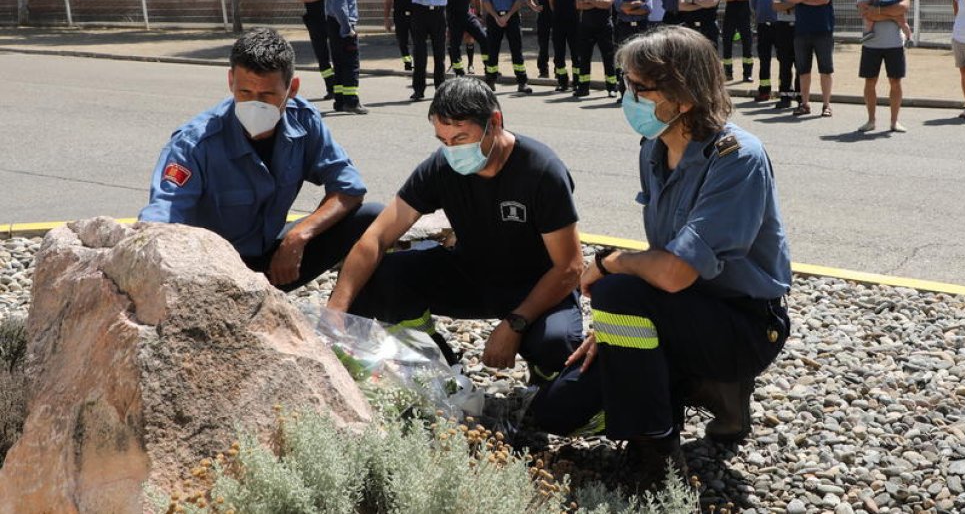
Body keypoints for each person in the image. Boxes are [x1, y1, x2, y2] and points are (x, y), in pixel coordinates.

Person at [532, 26, 792, 490]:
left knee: (614, 288)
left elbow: (672, 272)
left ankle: (658, 457)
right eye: (625, 84)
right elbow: (662, 258)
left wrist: (611, 263)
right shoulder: (654, 149)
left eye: (638, 88)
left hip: (741, 324)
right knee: (556, 411)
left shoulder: (737, 158)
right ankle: (700, 388)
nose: (627, 97)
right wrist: (612, 329)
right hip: (679, 309)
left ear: (684, 94)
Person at [327, 77, 584, 386]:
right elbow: (376, 237)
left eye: (461, 138)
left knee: (556, 343)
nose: (451, 150)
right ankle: (438, 365)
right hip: (473, 277)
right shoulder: (442, 167)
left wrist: (515, 323)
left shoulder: (541, 171)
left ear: (495, 122)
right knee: (382, 276)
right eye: (442, 140)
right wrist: (335, 312)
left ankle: (543, 386)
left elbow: (569, 267)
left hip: (535, 287)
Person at [140, 27, 383, 290]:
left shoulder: (304, 121)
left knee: (372, 217)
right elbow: (162, 218)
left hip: (275, 263)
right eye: (245, 93)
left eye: (267, 95)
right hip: (214, 274)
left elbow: (349, 188)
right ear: (231, 81)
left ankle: (347, 310)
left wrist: (298, 237)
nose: (255, 104)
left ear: (292, 89)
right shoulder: (194, 143)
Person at [856, 0, 911, 132]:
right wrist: (892, 15)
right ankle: (871, 120)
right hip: (871, 43)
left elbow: (903, 8)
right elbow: (865, 12)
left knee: (895, 82)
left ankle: (894, 122)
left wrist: (880, 12)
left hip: (894, 43)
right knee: (870, 81)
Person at [787, 0, 838, 117]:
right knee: (803, 71)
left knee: (825, 70)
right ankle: (805, 104)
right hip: (801, 32)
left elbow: (824, 0)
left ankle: (826, 105)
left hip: (823, 31)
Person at [481, 0, 531, 94]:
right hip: (493, 17)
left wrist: (507, 16)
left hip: (512, 17)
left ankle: (522, 82)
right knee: (492, 50)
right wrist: (497, 17)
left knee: (517, 50)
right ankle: (490, 81)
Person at [409, 0, 453, 101]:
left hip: (438, 14)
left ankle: (440, 90)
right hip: (420, 13)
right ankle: (418, 90)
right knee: (419, 53)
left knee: (439, 53)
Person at [324, 0, 367, 114]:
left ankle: (340, 101)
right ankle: (352, 102)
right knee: (351, 65)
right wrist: (348, 29)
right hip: (342, 27)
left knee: (340, 65)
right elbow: (340, 8)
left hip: (335, 27)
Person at [295, 0, 336, 100]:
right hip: (314, 22)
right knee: (322, 56)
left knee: (337, 54)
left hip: (331, 19)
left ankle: (339, 87)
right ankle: (330, 87)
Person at [574, 0, 618, 99]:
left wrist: (589, 0)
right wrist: (597, 2)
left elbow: (607, 5)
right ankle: (583, 88)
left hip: (604, 27)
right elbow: (578, 5)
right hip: (586, 27)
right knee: (584, 58)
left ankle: (611, 87)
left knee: (608, 58)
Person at [446, 0, 491, 79]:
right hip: (454, 18)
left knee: (484, 38)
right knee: (455, 46)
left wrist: (478, 13)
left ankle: (488, 67)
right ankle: (459, 71)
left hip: (468, 16)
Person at [612, 0, 651, 101]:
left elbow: (647, 9)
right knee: (624, 62)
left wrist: (628, 8)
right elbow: (618, 7)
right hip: (624, 28)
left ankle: (641, 94)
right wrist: (636, 4)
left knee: (641, 61)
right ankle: (623, 94)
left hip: (640, 28)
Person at [547, 0, 585, 92]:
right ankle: (563, 81)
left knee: (576, 54)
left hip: (574, 22)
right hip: (558, 23)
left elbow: (580, 1)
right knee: (559, 54)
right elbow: (551, 2)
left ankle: (576, 81)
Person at [770, 0, 801, 109]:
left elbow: (803, 2)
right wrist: (793, 4)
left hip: (799, 27)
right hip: (782, 27)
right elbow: (775, 6)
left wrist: (786, 4)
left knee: (800, 63)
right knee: (784, 63)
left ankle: (800, 96)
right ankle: (785, 96)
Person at [720, 0, 756, 83]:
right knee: (727, 43)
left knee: (747, 43)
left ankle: (747, 74)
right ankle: (728, 73)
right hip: (730, 15)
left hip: (744, 15)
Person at [751, 0, 781, 103]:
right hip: (763, 26)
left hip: (780, 27)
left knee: (784, 59)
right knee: (764, 59)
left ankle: (784, 91)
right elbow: (753, 3)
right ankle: (764, 91)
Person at [384, 0, 414, 74]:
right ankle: (407, 63)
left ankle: (419, 62)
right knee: (403, 41)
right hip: (400, 16)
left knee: (418, 40)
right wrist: (386, 19)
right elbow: (387, 3)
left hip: (415, 15)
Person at [529, 0, 555, 79]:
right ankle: (543, 70)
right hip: (543, 16)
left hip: (557, 16)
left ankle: (559, 70)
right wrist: (534, 6)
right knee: (543, 44)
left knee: (558, 44)